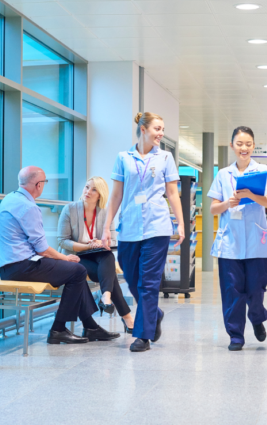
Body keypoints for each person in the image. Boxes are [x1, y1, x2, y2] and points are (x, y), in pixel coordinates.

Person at [0, 166, 119, 344]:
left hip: (9, 266)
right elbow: (42, 249)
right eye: (44, 182)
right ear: (38, 184)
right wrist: (65, 258)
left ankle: (91, 327)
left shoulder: (10, 198)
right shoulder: (28, 207)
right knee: (77, 271)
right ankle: (58, 329)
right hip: (22, 266)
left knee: (75, 270)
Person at [102, 112, 185, 352]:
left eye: (162, 129)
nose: (161, 133)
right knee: (132, 278)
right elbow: (116, 194)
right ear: (143, 129)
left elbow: (171, 193)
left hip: (157, 226)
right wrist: (107, 227)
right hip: (129, 227)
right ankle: (154, 314)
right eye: (157, 129)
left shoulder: (165, 157)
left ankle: (142, 335)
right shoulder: (123, 158)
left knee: (148, 284)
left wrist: (180, 222)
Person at [208, 126, 267, 351]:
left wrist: (251, 196)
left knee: (256, 289)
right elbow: (212, 209)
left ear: (253, 146)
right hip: (230, 242)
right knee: (232, 290)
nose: (244, 148)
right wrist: (226, 204)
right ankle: (236, 335)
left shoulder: (263, 171)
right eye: (239, 144)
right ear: (232, 146)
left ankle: (257, 318)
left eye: (248, 144)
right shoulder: (222, 175)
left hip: (256, 241)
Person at [57, 176, 135, 333]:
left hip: (97, 256)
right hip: (74, 256)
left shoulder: (105, 213)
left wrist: (101, 242)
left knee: (108, 256)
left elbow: (112, 240)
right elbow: (62, 241)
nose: (88, 192)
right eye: (87, 187)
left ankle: (106, 296)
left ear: (100, 195)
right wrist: (86, 246)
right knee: (110, 274)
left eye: (94, 190)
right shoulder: (70, 209)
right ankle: (125, 315)